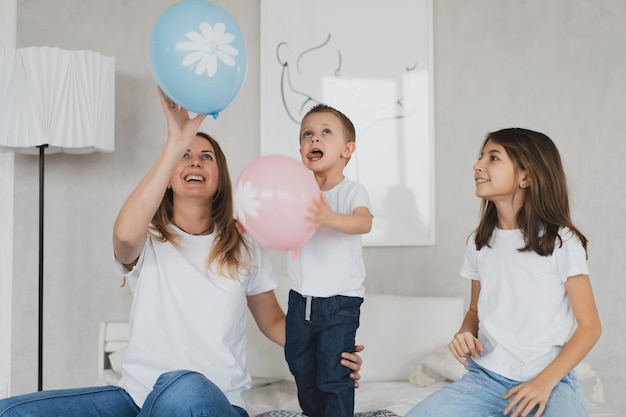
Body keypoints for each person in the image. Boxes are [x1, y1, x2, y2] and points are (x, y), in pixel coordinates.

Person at [0, 89, 364, 417]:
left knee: (184, 387)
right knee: (11, 411)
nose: (194, 161)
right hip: (134, 398)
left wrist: (330, 353)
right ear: (170, 174)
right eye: (185, 156)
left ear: (218, 175)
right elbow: (124, 235)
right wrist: (175, 141)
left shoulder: (245, 245)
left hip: (211, 401)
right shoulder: (149, 239)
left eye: (206, 156)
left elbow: (275, 324)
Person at [405, 128, 602, 417]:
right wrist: (464, 332)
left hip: (550, 379)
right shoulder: (479, 242)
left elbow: (590, 327)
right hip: (484, 379)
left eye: (493, 157)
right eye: (480, 157)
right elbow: (475, 310)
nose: (478, 165)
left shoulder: (561, 241)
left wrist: (543, 382)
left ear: (526, 177)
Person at [284, 104, 373, 417]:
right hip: (300, 299)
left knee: (334, 374)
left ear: (347, 149)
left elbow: (364, 223)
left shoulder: (351, 191)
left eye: (325, 132)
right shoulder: (297, 191)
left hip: (339, 302)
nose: (314, 139)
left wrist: (330, 217)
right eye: (307, 134)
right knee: (299, 364)